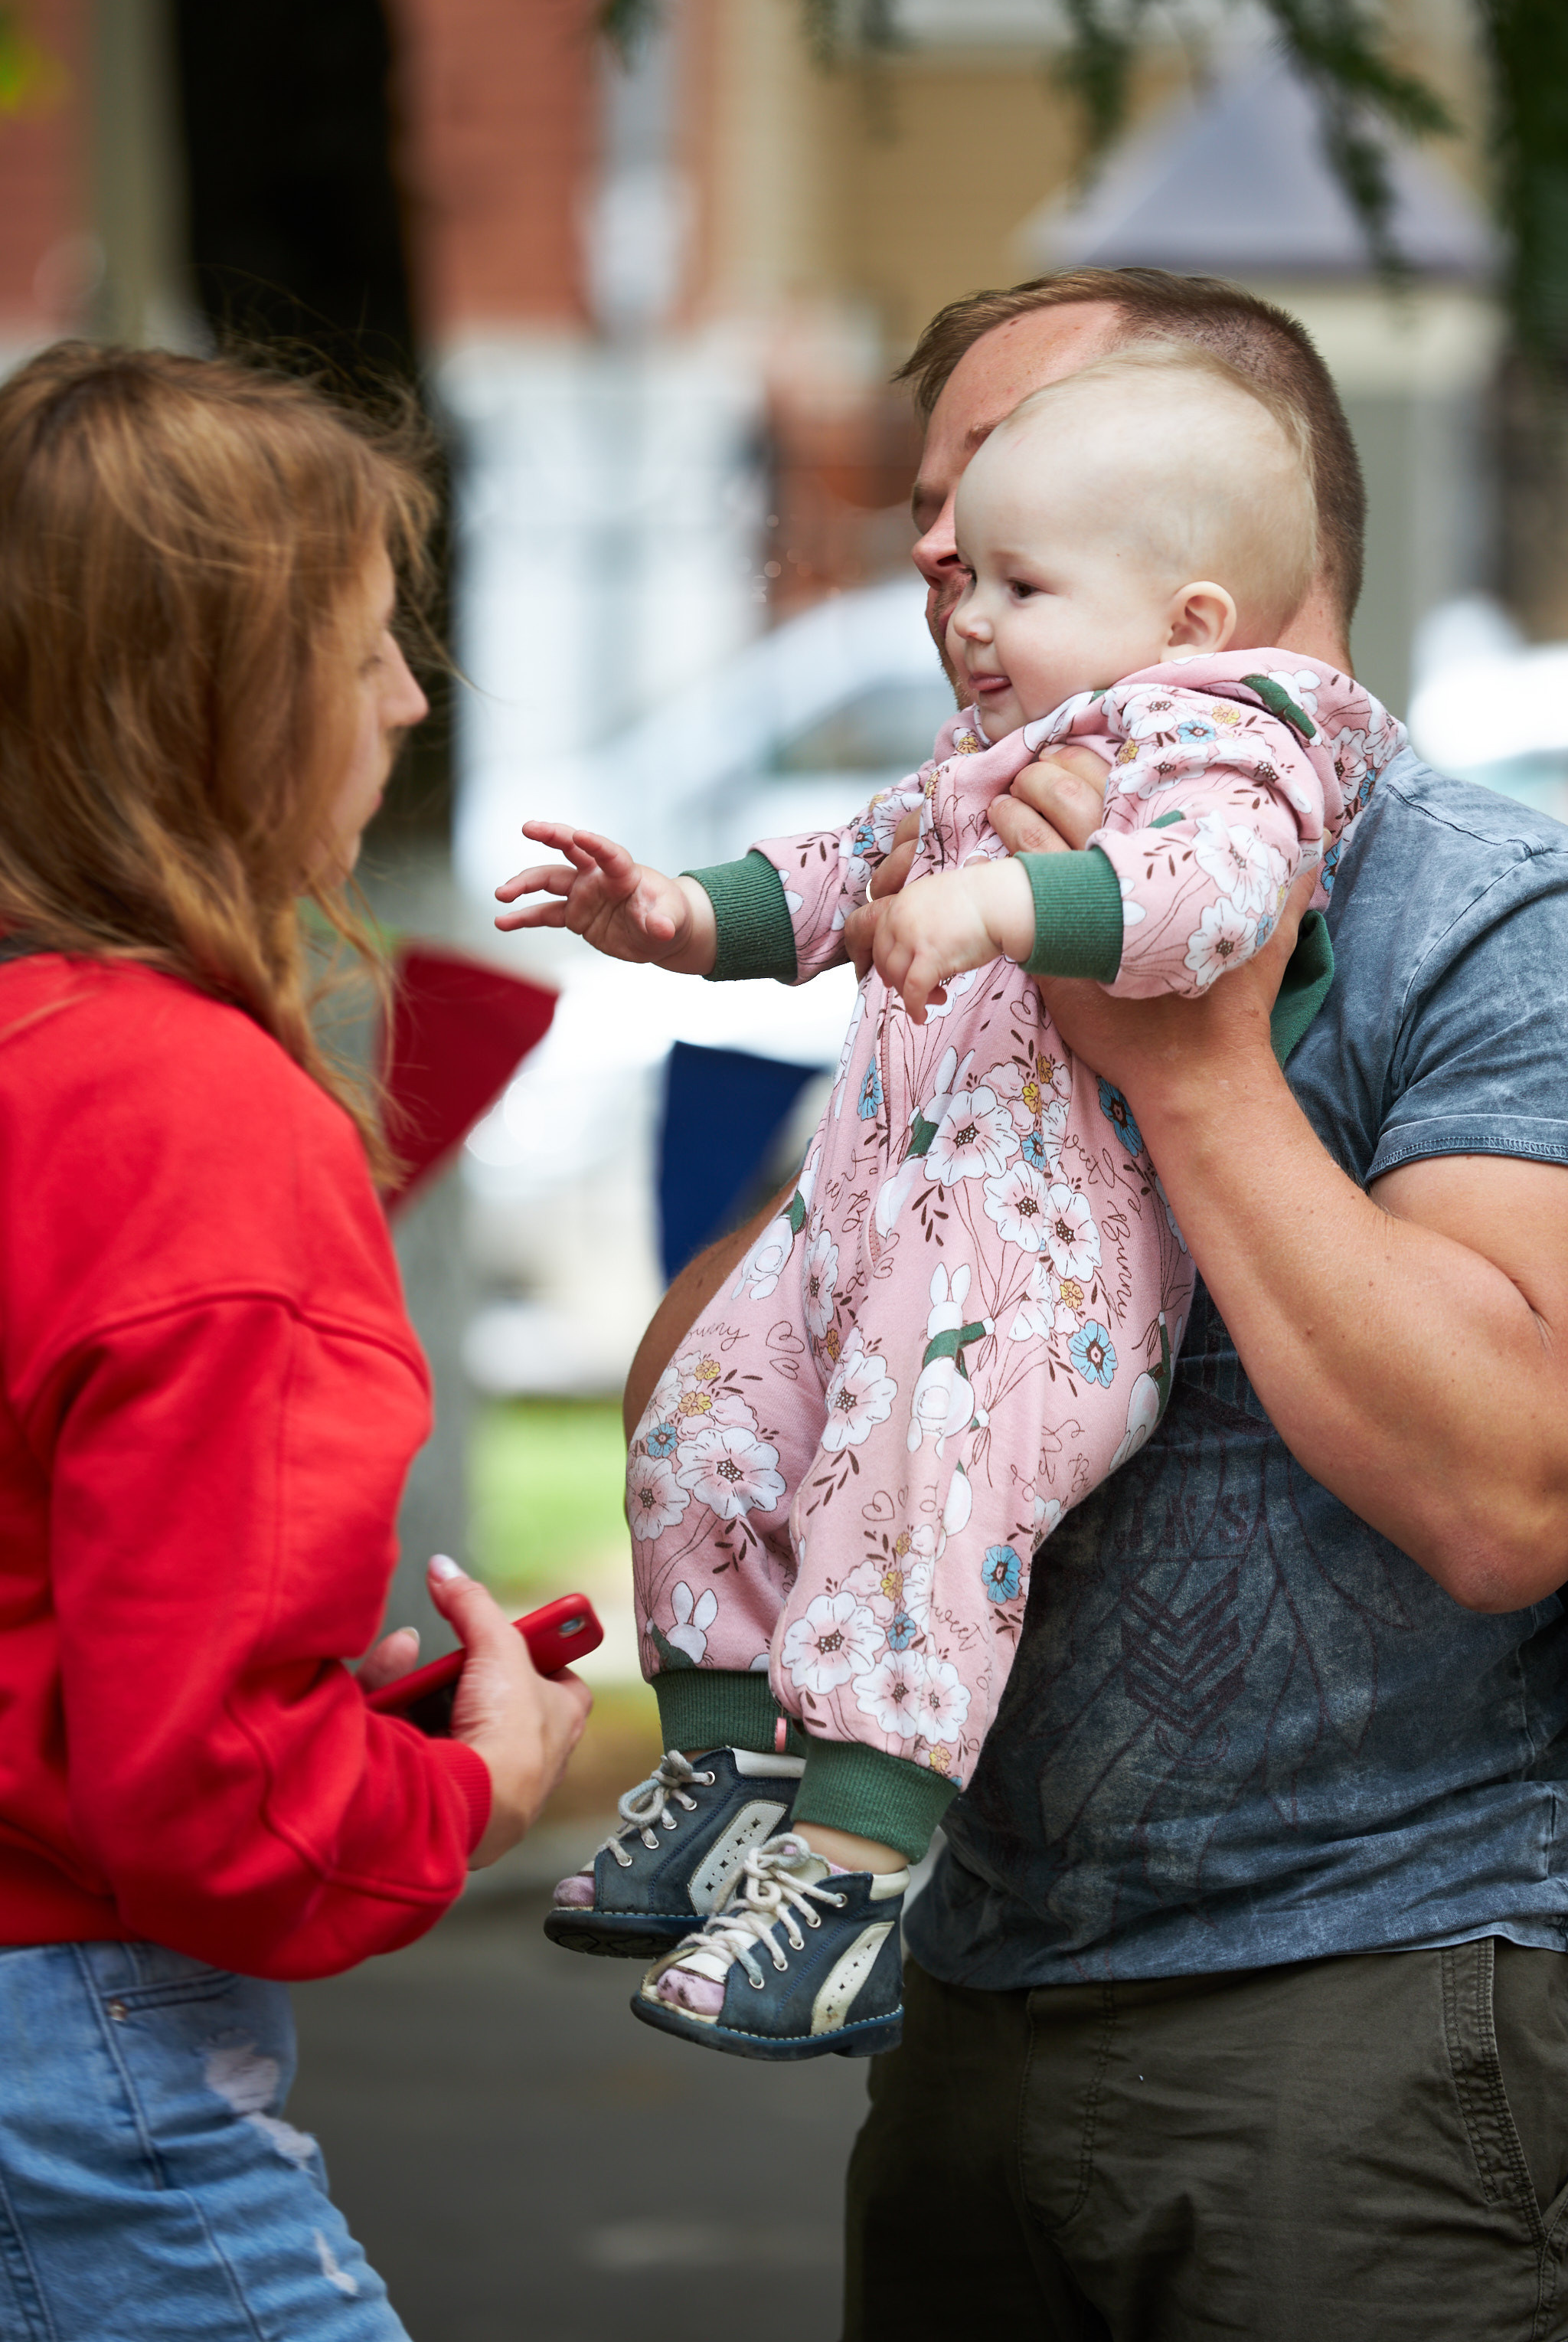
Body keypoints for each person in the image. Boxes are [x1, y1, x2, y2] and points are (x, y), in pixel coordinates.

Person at [625, 270, 1568, 2340]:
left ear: (1229, 549)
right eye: (934, 509)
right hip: (964, 2000)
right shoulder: (963, 884)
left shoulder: (1489, 908)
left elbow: (1510, 1496)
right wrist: (884, 1151)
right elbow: (726, 1384)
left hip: (1365, 2021)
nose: (944, 549)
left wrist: (1189, 1066)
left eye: (1006, 481)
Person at [499, 340, 1396, 2066]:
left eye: (1018, 581)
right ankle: (728, 1767)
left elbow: (1207, 899)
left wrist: (1001, 911)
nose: (965, 613)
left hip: (1031, 1265)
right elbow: (855, 861)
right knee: (705, 1429)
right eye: (964, 573)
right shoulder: (1003, 740)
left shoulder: (1240, 736)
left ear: (1193, 615)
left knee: (917, 1504)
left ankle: (848, 1877)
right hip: (873, 1208)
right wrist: (682, 912)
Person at [0, 342, 590, 2342]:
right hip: (72, 2041)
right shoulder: (197, 1112)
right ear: (219, 704)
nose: (412, 703)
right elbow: (215, 1807)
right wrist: (468, 1788)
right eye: (363, 656)